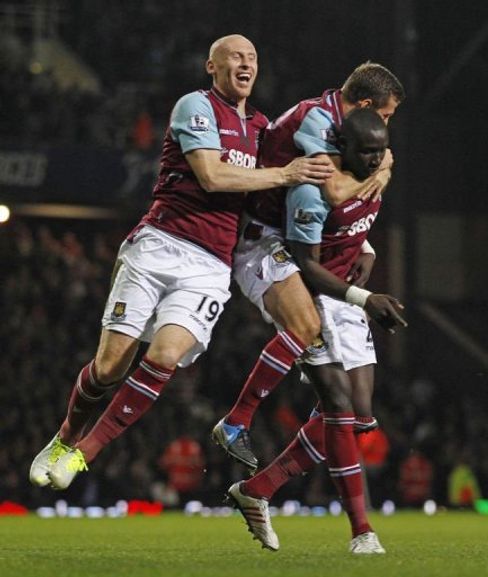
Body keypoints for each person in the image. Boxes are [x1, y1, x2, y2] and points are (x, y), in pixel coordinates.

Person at [28, 34, 335, 490]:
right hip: (158, 246)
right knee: (110, 366)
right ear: (212, 66)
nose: (245, 63)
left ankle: (82, 455)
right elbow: (211, 175)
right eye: (235, 56)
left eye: (252, 57)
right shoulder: (195, 105)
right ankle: (64, 438)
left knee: (166, 356)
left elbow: (286, 185)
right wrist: (284, 173)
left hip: (210, 267)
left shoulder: (264, 130)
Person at [225, 108, 404, 554]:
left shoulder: (379, 167)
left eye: (379, 151)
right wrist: (366, 297)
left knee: (360, 415)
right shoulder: (312, 191)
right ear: (341, 148)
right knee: (339, 407)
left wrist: (367, 246)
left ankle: (259, 488)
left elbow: (353, 221)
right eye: (366, 152)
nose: (375, 159)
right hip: (315, 294)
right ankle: (362, 532)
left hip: (345, 293)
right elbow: (306, 266)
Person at [213, 62, 406, 472]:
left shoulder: (343, 124)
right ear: (366, 104)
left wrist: (365, 245)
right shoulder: (317, 118)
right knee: (305, 328)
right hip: (264, 234)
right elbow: (334, 191)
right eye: (384, 114)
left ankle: (259, 487)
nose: (383, 128)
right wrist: (383, 171)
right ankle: (237, 421)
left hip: (292, 231)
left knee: (346, 404)